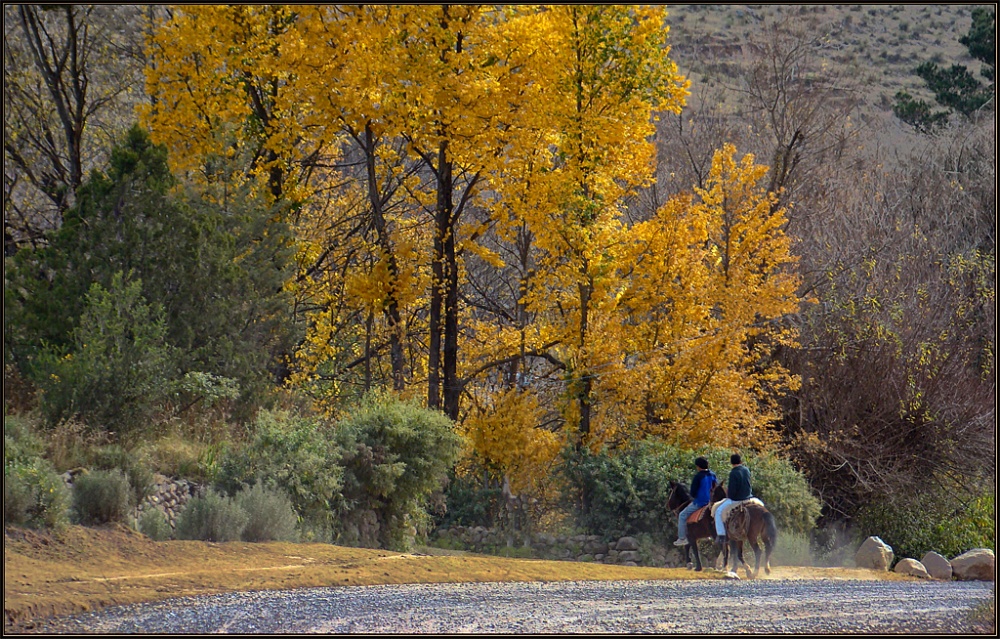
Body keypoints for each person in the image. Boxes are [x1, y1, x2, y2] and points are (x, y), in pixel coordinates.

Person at [674, 457, 717, 546]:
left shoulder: (698, 477)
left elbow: (693, 492)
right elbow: (716, 487)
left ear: (698, 466)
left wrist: (693, 497)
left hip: (700, 502)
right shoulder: (712, 475)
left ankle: (682, 538)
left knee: (682, 515)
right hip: (711, 502)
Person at [714, 453, 752, 546]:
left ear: (731, 463)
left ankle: (721, 536)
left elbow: (732, 490)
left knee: (718, 511)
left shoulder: (733, 472)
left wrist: (729, 495)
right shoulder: (746, 470)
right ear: (741, 461)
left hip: (737, 500)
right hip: (749, 497)